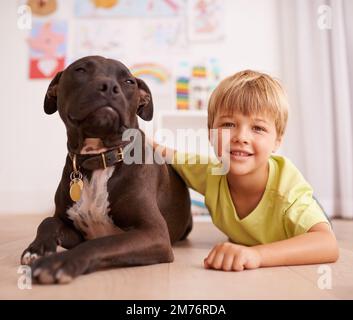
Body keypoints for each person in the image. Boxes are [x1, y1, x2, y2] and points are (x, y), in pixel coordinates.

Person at [152, 70, 339, 272]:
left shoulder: (288, 194)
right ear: (210, 134)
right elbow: (171, 155)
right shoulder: (210, 173)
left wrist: (257, 254)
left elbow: (327, 244)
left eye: (258, 128)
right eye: (228, 124)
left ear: (277, 140)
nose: (241, 137)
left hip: (297, 215)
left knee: (315, 219)